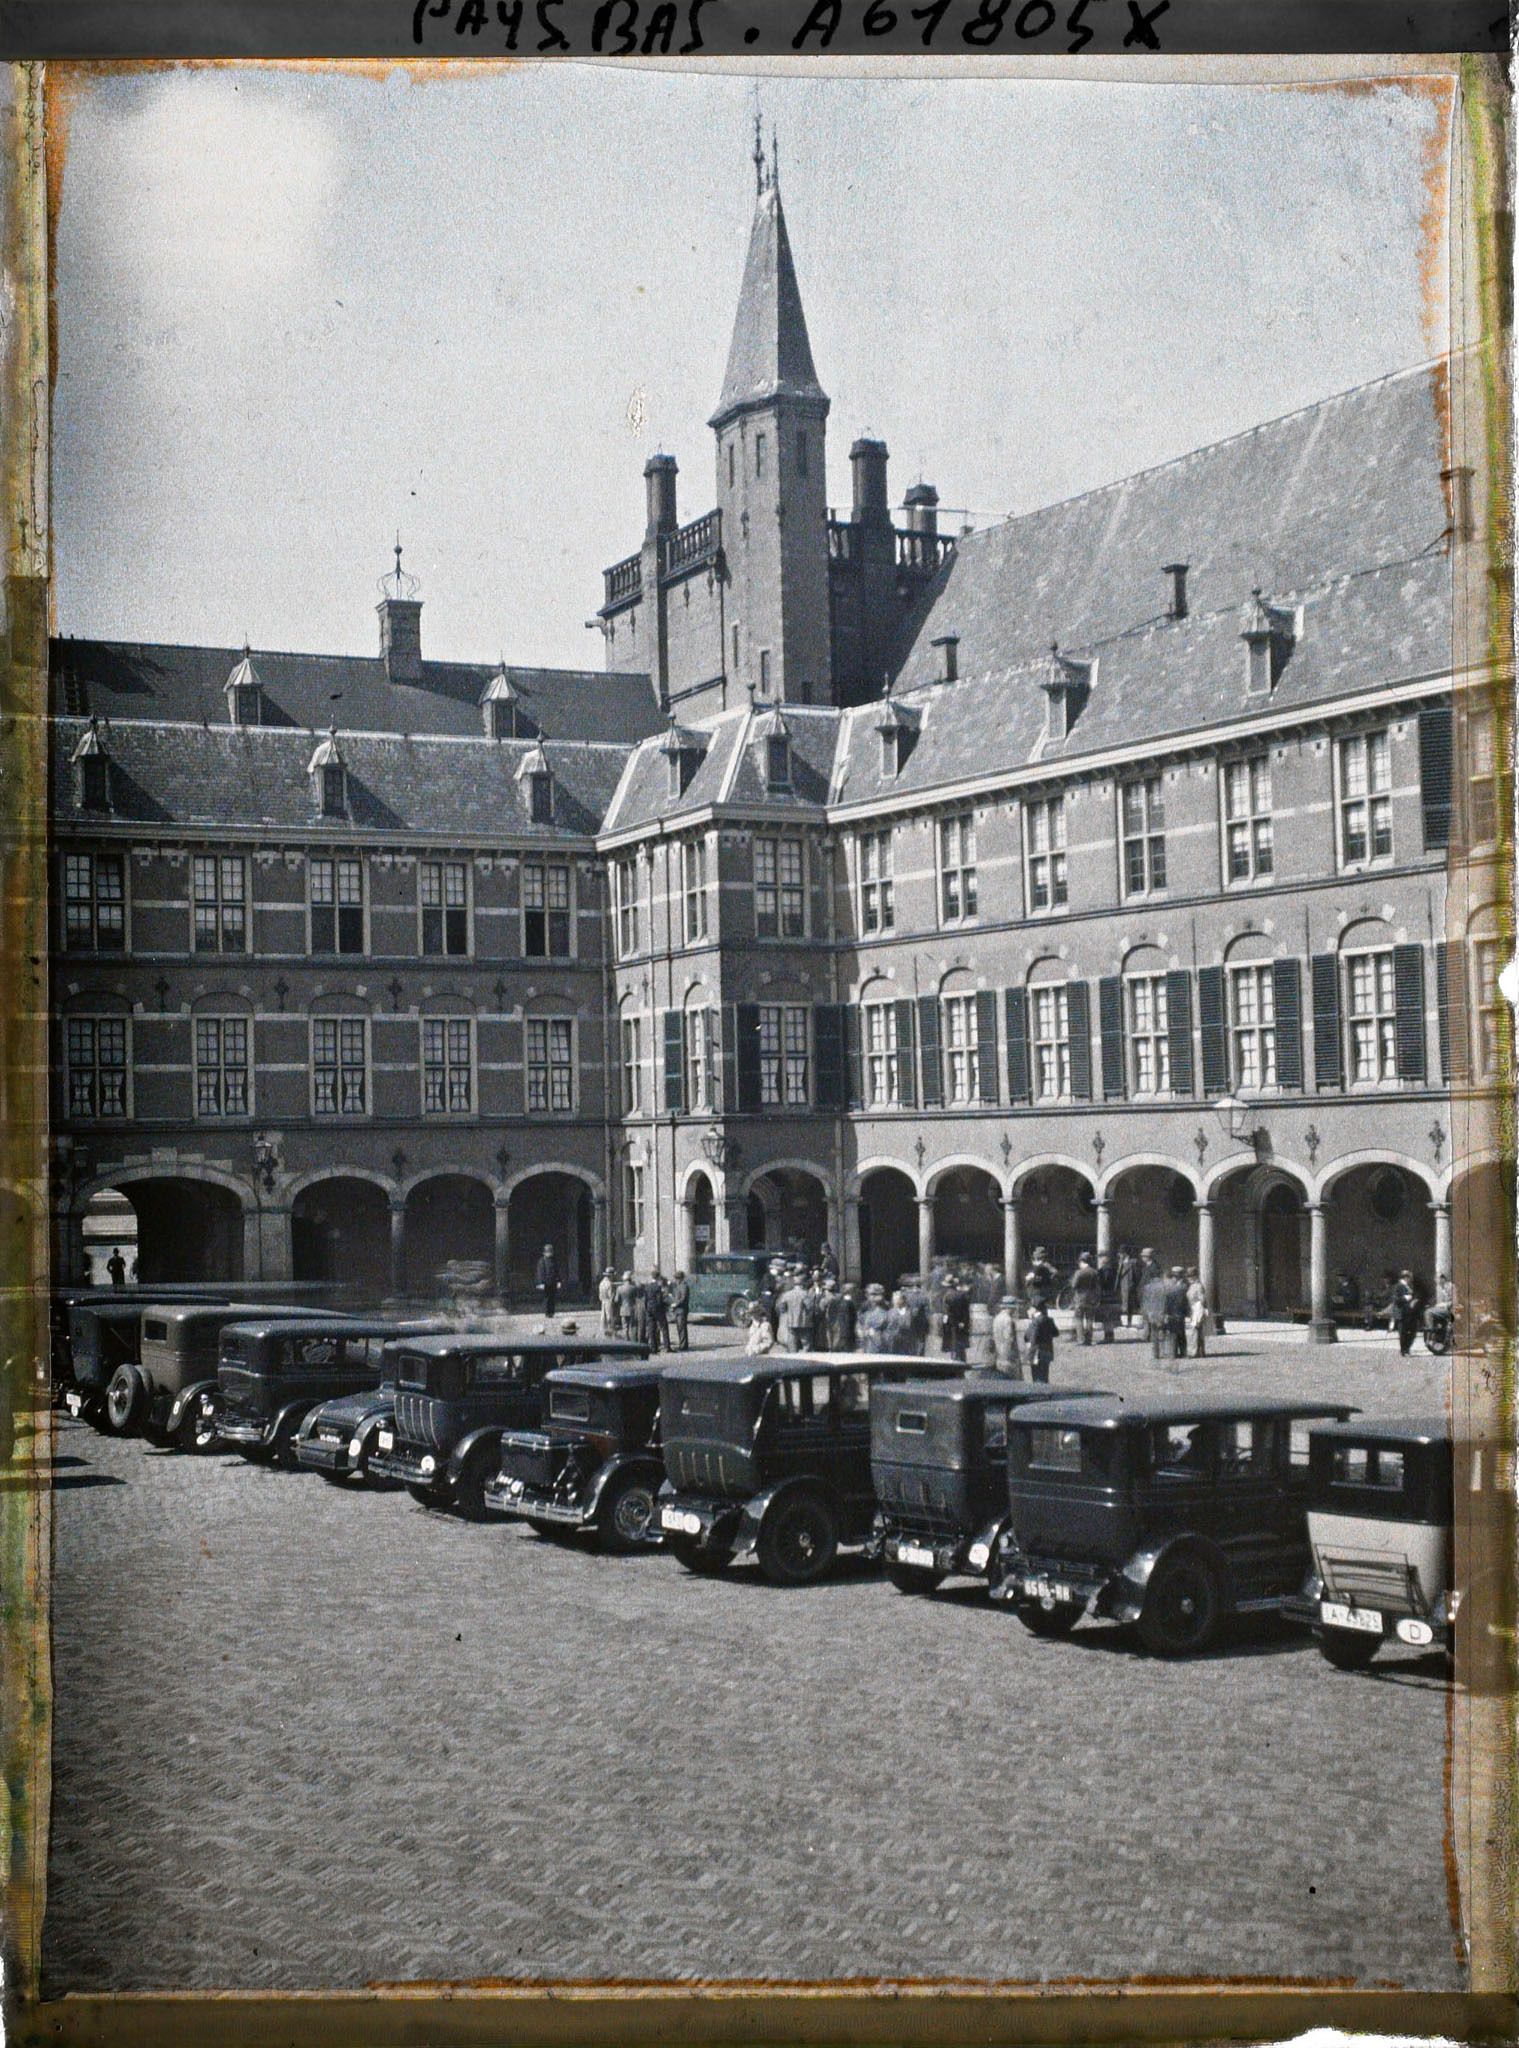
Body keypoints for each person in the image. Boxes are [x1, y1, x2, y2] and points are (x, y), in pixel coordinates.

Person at [1139, 1265, 1170, 1361]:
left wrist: (1145, 1314)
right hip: (1162, 1312)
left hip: (1152, 1313)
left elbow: (1144, 1301)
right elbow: (1167, 1300)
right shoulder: (1164, 1287)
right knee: (1163, 1332)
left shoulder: (1147, 1287)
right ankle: (1163, 1350)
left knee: (1154, 1333)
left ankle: (1155, 1353)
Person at [1070, 1252, 1099, 1347]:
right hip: (1091, 1298)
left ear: (1082, 1261)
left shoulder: (1079, 1273)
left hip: (1080, 1298)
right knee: (1090, 1319)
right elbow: (1097, 1286)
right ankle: (1089, 1339)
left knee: (1078, 1319)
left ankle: (1081, 1339)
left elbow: (1074, 1285)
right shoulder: (1095, 1272)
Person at [992, 1295, 1024, 1379]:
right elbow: (1009, 1340)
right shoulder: (1008, 1320)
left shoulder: (996, 1318)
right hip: (1009, 1358)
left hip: (999, 1356)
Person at [777, 1270, 810, 1352]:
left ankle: (793, 1355)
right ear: (802, 1284)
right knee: (805, 1341)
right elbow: (809, 1307)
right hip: (803, 1321)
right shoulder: (805, 1294)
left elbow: (782, 1308)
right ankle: (806, 1356)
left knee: (792, 1340)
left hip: (790, 1321)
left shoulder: (787, 1294)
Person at [1025, 1301, 1057, 1384]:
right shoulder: (1049, 1319)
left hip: (1036, 1352)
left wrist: (1029, 1354)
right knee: (1045, 1375)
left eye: (1030, 1308)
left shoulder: (1035, 1321)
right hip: (1047, 1351)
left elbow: (1032, 1338)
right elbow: (1056, 1333)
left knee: (1036, 1376)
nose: (1028, 1310)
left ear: (1035, 1309)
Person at [1391, 1269, 1422, 1356]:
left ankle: (1407, 1348)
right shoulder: (1398, 1286)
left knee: (1413, 1331)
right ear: (1405, 1277)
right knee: (1403, 1333)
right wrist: (1405, 1298)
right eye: (1408, 1277)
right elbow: (1396, 1300)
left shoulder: (1410, 1286)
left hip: (1410, 1313)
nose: (1410, 1279)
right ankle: (1404, 1350)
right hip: (1402, 1313)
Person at [1163, 1267, 1190, 1360]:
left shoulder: (1177, 1287)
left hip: (1175, 1312)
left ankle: (1173, 1353)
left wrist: (1166, 1313)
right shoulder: (1184, 1286)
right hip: (1178, 1313)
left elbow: (1166, 1301)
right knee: (1180, 1333)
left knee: (1174, 1333)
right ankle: (1182, 1352)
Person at [941, 1277, 970, 1363]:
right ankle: (961, 1359)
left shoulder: (947, 1296)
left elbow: (947, 1312)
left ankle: (955, 1359)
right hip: (960, 1323)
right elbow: (965, 1312)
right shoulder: (962, 1295)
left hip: (950, 1323)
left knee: (953, 1344)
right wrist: (963, 1322)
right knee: (959, 1343)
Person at [858, 1284, 891, 1354]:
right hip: (865, 1347)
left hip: (877, 1349)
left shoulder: (883, 1312)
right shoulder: (864, 1310)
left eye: (872, 1294)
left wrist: (873, 1333)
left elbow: (887, 1334)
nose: (867, 1296)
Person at [1186, 1268, 1211, 1358]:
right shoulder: (1192, 1286)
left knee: (1195, 1332)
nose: (1189, 1278)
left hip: (1197, 1309)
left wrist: (1200, 1313)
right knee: (1197, 1332)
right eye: (1188, 1276)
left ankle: (1195, 1352)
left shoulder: (1198, 1286)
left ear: (1195, 1276)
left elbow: (1202, 1300)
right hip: (1193, 1309)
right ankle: (1200, 1351)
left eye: (1190, 1276)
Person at [827, 1283, 858, 1353]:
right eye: (855, 1290)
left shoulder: (838, 1300)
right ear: (851, 1291)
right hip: (845, 1332)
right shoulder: (848, 1303)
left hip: (838, 1330)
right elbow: (848, 1319)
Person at [645, 1271, 670, 1354]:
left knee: (651, 1328)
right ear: (658, 1277)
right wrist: (663, 1307)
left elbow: (645, 1299)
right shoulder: (658, 1287)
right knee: (664, 1327)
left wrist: (647, 1308)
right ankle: (667, 1346)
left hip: (649, 1308)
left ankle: (653, 1348)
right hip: (657, 1309)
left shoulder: (647, 1286)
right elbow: (659, 1300)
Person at [883, 1289, 914, 1354]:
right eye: (894, 1299)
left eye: (898, 1299)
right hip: (891, 1340)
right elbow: (886, 1325)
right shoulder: (890, 1312)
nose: (895, 1301)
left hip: (904, 1341)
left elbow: (907, 1325)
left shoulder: (908, 1312)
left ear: (902, 1300)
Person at [535, 1242, 560, 1319]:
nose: (549, 1254)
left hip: (553, 1282)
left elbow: (557, 1272)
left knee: (552, 1298)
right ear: (544, 1253)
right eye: (548, 1252)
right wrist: (541, 1283)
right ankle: (547, 1313)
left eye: (550, 1252)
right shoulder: (542, 1261)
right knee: (546, 1298)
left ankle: (551, 1312)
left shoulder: (554, 1261)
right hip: (545, 1283)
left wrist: (559, 1281)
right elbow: (540, 1273)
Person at [1117, 1247, 1140, 1326]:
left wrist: (1134, 1284)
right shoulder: (1120, 1263)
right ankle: (1120, 1322)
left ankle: (1129, 1321)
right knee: (1121, 1304)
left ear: (1125, 1254)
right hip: (1121, 1287)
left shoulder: (1133, 1262)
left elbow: (1137, 1275)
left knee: (1129, 1305)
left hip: (1129, 1286)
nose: (1119, 1256)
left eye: (1120, 1254)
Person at [668, 1270, 690, 1351]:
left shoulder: (684, 1286)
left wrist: (675, 1304)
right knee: (679, 1328)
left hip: (682, 1310)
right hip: (677, 1310)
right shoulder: (678, 1286)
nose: (676, 1280)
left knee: (682, 1328)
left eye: (677, 1278)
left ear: (681, 1278)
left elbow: (683, 1298)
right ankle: (682, 1344)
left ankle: (683, 1346)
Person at [615, 1271, 638, 1340]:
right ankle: (633, 1340)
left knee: (625, 1326)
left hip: (623, 1309)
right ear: (630, 1279)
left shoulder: (619, 1288)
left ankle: (626, 1340)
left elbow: (616, 1300)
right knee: (632, 1326)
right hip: (632, 1309)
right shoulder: (634, 1288)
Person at [598, 1266, 617, 1337]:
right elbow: (611, 1296)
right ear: (610, 1275)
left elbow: (599, 1296)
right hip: (608, 1302)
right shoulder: (609, 1284)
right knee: (610, 1318)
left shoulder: (601, 1283)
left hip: (603, 1301)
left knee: (603, 1318)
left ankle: (603, 1332)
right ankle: (610, 1333)